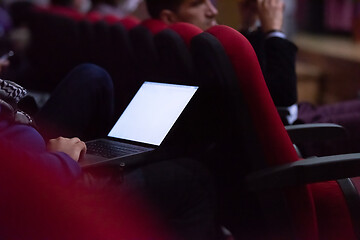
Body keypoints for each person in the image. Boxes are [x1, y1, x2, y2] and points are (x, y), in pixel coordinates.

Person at [0, 62, 219, 240]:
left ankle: (113, 160)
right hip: (42, 190)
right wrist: (62, 159)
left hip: (35, 149)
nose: (212, 10)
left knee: (91, 76)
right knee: (192, 177)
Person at [145, 0, 360, 157]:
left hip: (293, 120)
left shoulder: (181, 47)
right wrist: (274, 30)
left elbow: (254, 81)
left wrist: (249, 24)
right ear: (169, 17)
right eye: (198, 4)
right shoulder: (191, 52)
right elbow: (282, 98)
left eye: (210, 1)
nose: (212, 10)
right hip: (291, 135)